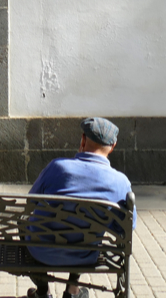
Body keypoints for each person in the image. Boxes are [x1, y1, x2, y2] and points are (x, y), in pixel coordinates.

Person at [25, 117, 134, 298]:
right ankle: (72, 289)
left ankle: (43, 292)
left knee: (28, 225)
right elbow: (127, 227)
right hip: (84, 255)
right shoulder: (120, 182)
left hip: (41, 252)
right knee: (85, 234)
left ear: (82, 140)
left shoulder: (57, 167)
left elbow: (30, 203)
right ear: (112, 147)